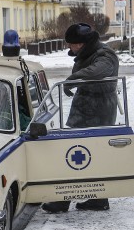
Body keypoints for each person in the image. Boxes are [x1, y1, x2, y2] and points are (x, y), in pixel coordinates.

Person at [42, 22, 119, 213]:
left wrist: (72, 80)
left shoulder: (104, 54)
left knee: (79, 156)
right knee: (78, 155)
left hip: (98, 114)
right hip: (84, 111)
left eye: (71, 44)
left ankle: (66, 201)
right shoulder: (86, 53)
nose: (69, 47)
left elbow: (98, 71)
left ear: (81, 43)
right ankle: (95, 200)